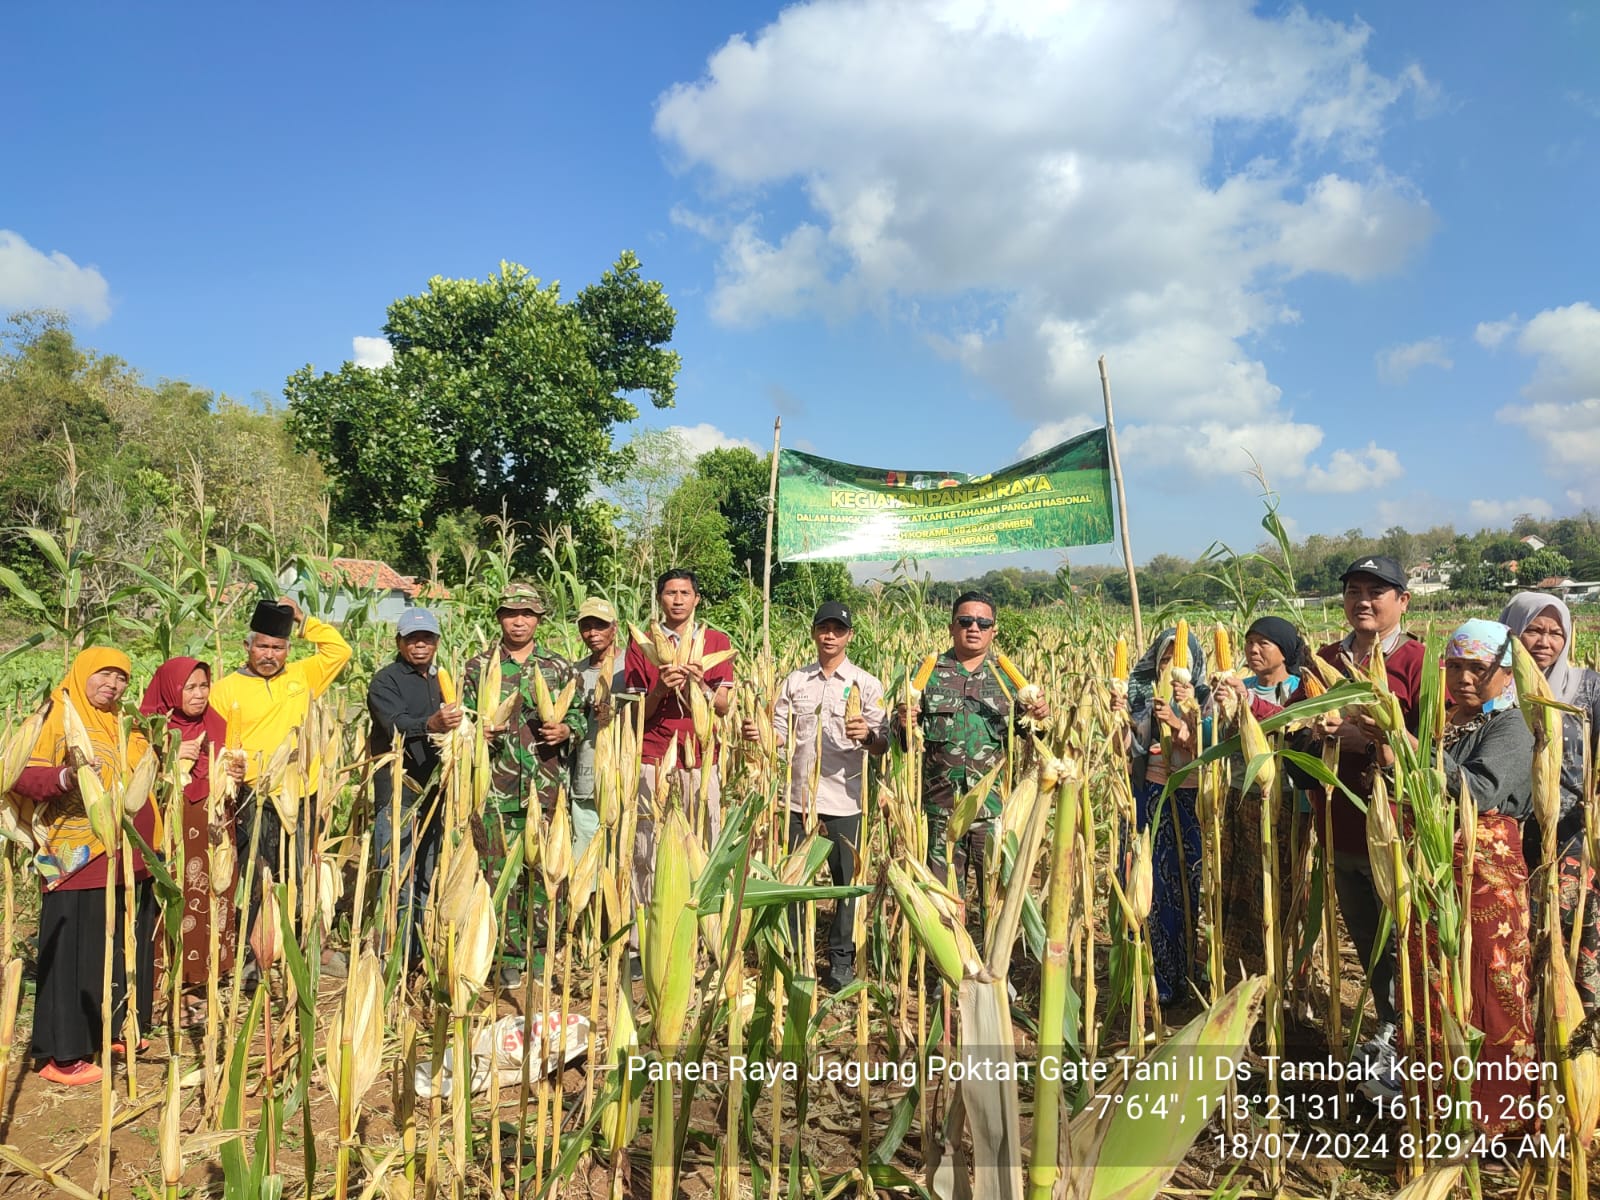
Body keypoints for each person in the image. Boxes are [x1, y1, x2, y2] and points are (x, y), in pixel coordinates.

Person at [1366, 620, 1537, 1135]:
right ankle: (1432, 1105)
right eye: (1455, 666)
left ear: (1506, 673)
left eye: (1478, 669)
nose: (1464, 678)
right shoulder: (1452, 720)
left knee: (1485, 983)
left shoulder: (1513, 727)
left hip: (1483, 878)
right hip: (1434, 873)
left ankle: (1491, 1118)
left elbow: (1477, 792)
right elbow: (1414, 782)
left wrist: (1404, 741)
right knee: (1432, 983)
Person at [12, 649, 155, 1085]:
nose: (113, 684)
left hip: (129, 854)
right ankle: (64, 1053)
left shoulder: (121, 720)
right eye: (105, 674)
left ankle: (113, 1029)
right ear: (82, 672)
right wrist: (67, 778)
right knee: (75, 948)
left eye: (122, 677)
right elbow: (19, 774)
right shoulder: (57, 713)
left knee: (117, 945)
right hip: (77, 854)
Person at [1306, 556, 1425, 1070]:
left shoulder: (1420, 662)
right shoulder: (1325, 658)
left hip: (1398, 831)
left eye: (1377, 591)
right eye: (1354, 590)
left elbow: (1435, 749)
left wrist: (1376, 741)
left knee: (1405, 936)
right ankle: (1385, 1025)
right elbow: (1297, 719)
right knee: (1365, 937)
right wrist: (1315, 732)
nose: (1364, 601)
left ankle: (1413, 1037)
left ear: (1403, 601)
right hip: (1340, 826)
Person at [741, 601, 888, 990]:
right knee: (793, 880)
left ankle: (841, 961)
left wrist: (867, 737)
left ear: (849, 636)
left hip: (845, 800)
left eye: (838, 630)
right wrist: (760, 734)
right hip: (797, 799)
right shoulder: (795, 682)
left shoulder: (866, 684)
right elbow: (779, 733)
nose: (830, 635)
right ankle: (791, 951)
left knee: (846, 884)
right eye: (824, 628)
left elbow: (882, 741)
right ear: (814, 633)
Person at [209, 596, 352, 976]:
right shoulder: (225, 690)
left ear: (288, 650)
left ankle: (308, 948)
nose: (269, 654)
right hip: (256, 797)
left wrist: (303, 619)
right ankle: (258, 955)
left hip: (304, 793)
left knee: (304, 871)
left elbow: (340, 649)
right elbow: (220, 744)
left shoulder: (302, 677)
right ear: (248, 646)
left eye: (278, 647)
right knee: (260, 876)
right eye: (263, 646)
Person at [890, 592, 1049, 926]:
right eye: (965, 621)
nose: (973, 628)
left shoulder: (1007, 679)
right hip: (939, 807)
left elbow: (1033, 738)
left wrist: (1041, 717)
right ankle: (948, 975)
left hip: (991, 810)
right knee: (943, 897)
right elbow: (902, 741)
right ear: (952, 627)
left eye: (983, 623)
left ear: (993, 630)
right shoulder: (928, 674)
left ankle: (993, 970)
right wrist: (903, 721)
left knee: (996, 895)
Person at [463, 581, 585, 982]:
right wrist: (474, 732)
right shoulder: (478, 668)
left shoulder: (559, 668)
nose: (519, 622)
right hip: (496, 789)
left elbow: (582, 716)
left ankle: (541, 957)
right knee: (500, 876)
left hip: (546, 787)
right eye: (511, 614)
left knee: (546, 875)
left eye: (527, 614)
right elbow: (460, 718)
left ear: (538, 619)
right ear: (499, 618)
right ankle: (507, 959)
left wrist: (566, 730)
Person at [624, 569, 735, 951]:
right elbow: (637, 709)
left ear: (696, 599)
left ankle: (704, 936)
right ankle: (646, 939)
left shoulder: (716, 642)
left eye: (684, 593)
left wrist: (699, 684)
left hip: (701, 762)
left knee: (702, 844)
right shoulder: (641, 645)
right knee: (646, 848)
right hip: (653, 758)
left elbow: (722, 708)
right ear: (659, 599)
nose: (677, 600)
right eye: (669, 593)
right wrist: (660, 687)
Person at [1501, 591, 1600, 1012]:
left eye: (1555, 632)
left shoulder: (1587, 687)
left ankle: (1578, 1029)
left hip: (1572, 835)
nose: (1544, 641)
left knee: (1573, 932)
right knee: (1518, 937)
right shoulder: (1491, 685)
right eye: (1534, 629)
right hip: (1506, 835)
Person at [138, 657, 245, 1026]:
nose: (199, 695)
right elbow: (131, 782)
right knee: (173, 900)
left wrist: (235, 773)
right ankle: (161, 988)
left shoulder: (216, 723)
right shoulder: (148, 729)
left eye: (204, 686)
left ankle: (197, 984)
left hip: (214, 830)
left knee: (210, 899)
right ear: (171, 688)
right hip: (172, 831)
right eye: (190, 687)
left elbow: (230, 775)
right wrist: (166, 753)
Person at [1110, 626, 1209, 1006]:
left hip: (1186, 799)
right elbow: (1126, 751)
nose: (1172, 667)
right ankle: (1146, 973)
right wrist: (1121, 720)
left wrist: (1182, 722)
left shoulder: (1206, 697)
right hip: (1149, 796)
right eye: (1166, 659)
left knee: (1181, 885)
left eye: (1179, 660)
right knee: (1143, 884)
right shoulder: (1142, 697)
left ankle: (1180, 973)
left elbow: (1211, 747)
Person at [1215, 617, 1312, 987]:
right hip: (1243, 798)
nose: (1253, 650)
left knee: (1282, 890)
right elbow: (1220, 741)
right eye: (1249, 642)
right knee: (1239, 889)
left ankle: (1290, 978)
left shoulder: (1299, 689)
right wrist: (1217, 709)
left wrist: (1248, 701)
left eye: (1263, 643)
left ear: (1284, 650)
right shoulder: (1241, 684)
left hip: (1287, 804)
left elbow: (1293, 725)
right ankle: (1246, 978)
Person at [367, 607, 460, 968]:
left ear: (436, 642)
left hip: (437, 790)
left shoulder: (442, 679)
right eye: (412, 639)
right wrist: (432, 723)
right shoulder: (385, 681)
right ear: (399, 642)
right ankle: (395, 956)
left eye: (427, 639)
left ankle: (421, 949)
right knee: (397, 872)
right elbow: (394, 725)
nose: (420, 645)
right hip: (398, 791)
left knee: (429, 870)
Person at [569, 597, 626, 863]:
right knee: (585, 862)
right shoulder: (575, 672)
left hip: (624, 780)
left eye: (600, 626)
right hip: (585, 779)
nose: (593, 633)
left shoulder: (631, 667)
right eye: (586, 626)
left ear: (614, 628)